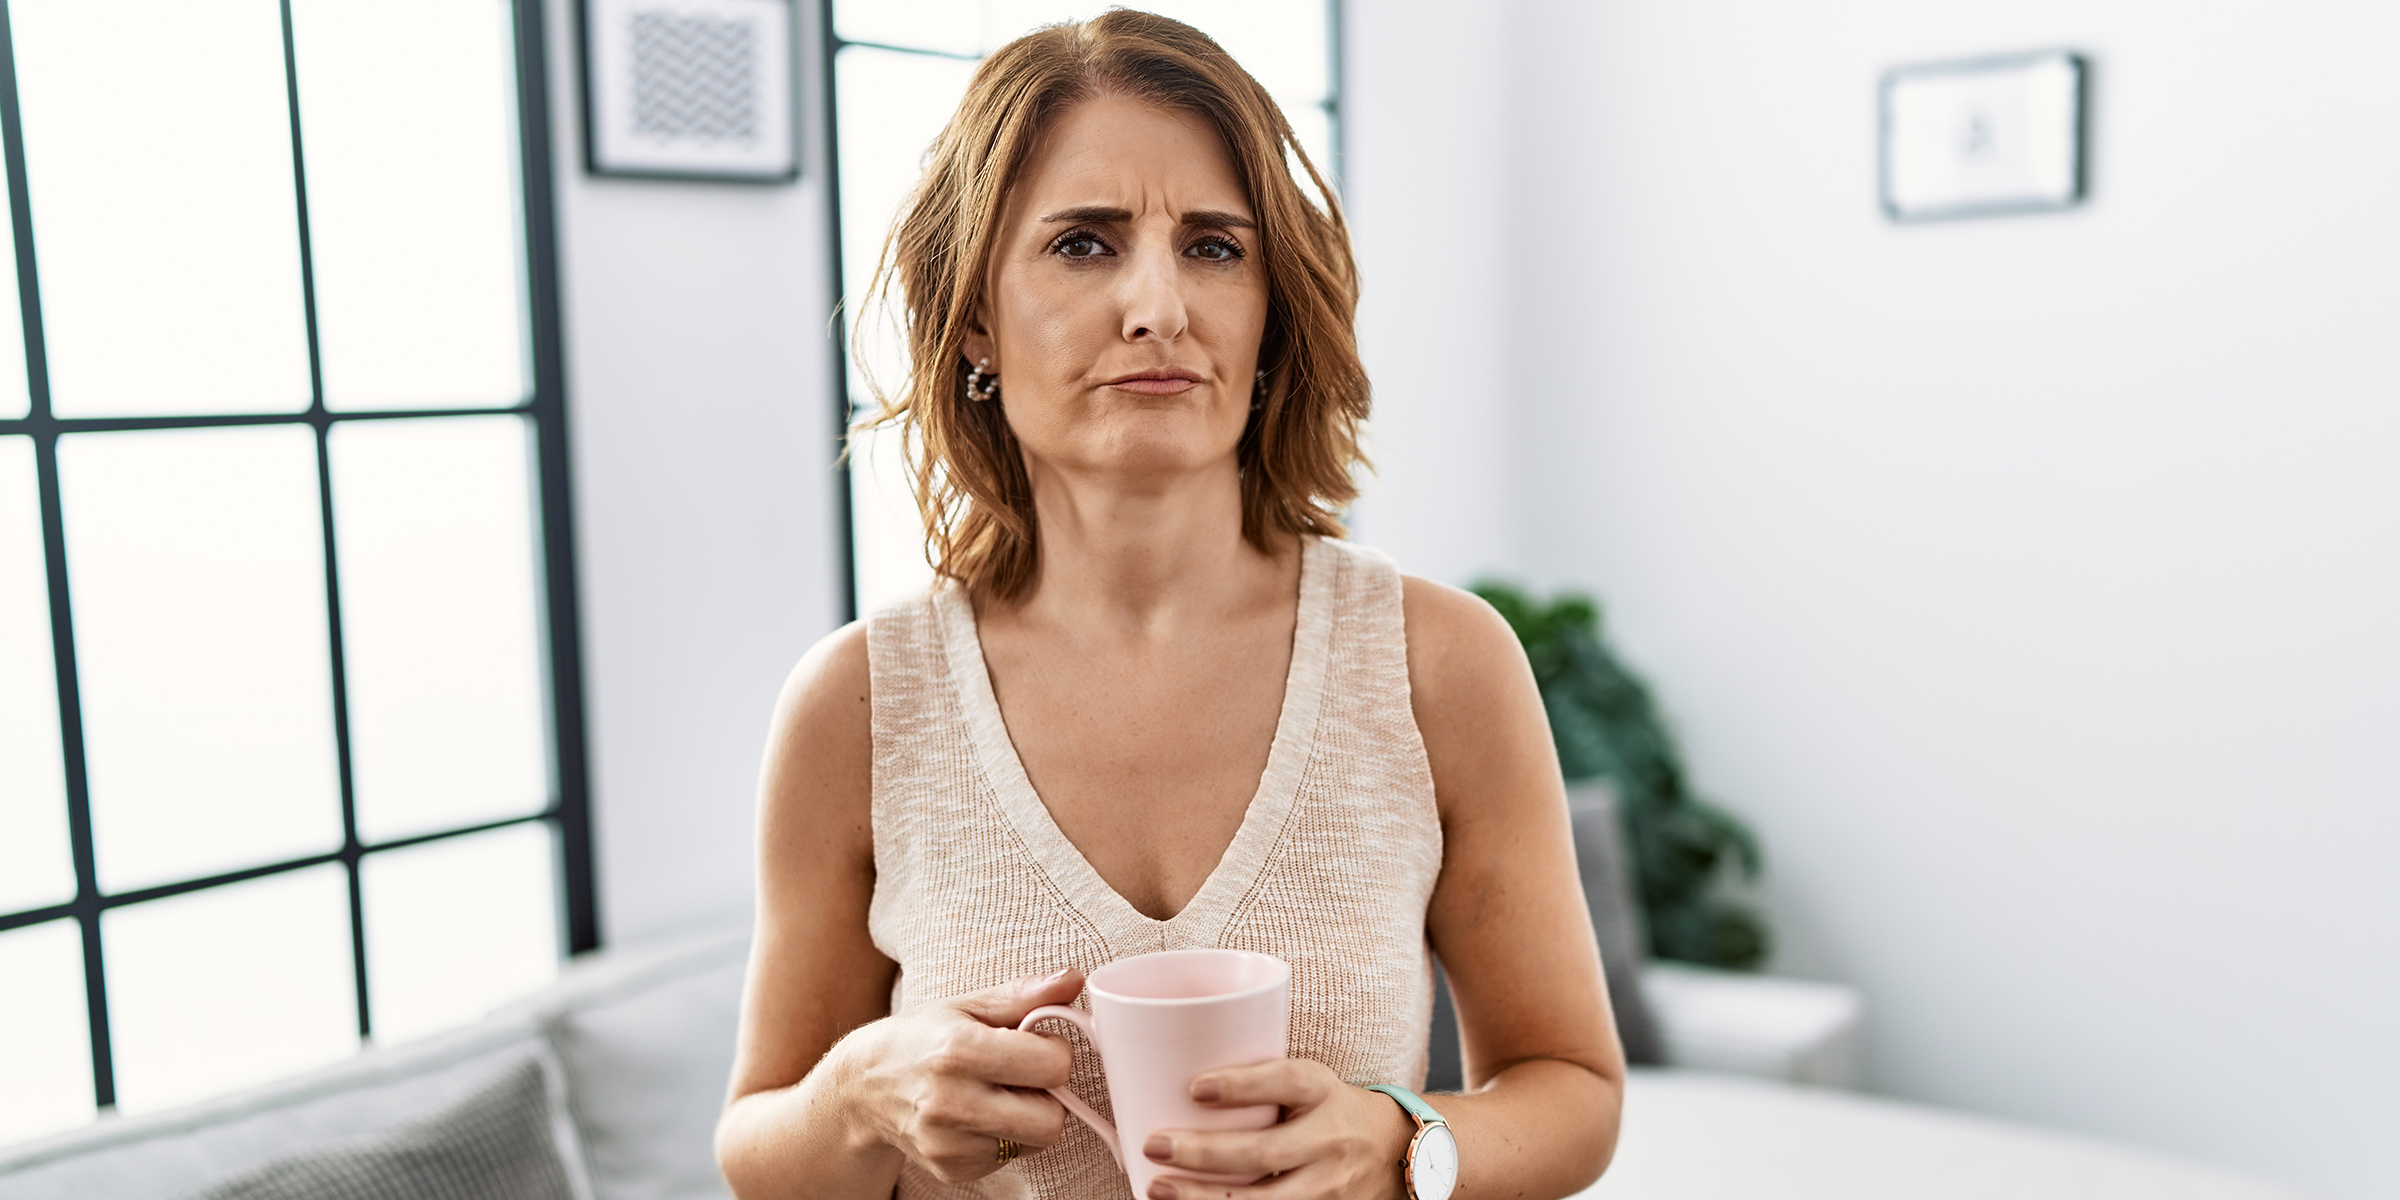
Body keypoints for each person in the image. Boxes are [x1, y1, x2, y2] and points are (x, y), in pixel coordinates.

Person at [715, 12, 1624, 1200]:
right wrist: (860, 1097)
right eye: (1084, 244)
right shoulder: (857, 702)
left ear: (1268, 309)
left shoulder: (1438, 665)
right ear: (977, 317)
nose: (1158, 307)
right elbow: (755, 1148)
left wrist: (1398, 1145)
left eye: (1213, 247)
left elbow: (1574, 1089)